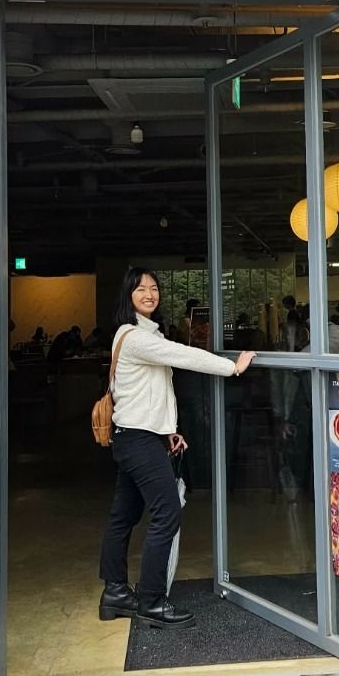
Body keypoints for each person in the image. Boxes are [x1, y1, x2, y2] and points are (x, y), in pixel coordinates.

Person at [99, 268, 255, 629]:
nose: (149, 294)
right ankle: (152, 600)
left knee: (123, 515)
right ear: (128, 296)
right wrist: (232, 367)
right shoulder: (136, 336)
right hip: (137, 440)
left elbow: (152, 390)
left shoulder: (141, 334)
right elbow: (183, 355)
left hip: (137, 435)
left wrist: (168, 431)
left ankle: (115, 592)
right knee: (167, 512)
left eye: (154, 288)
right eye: (141, 289)